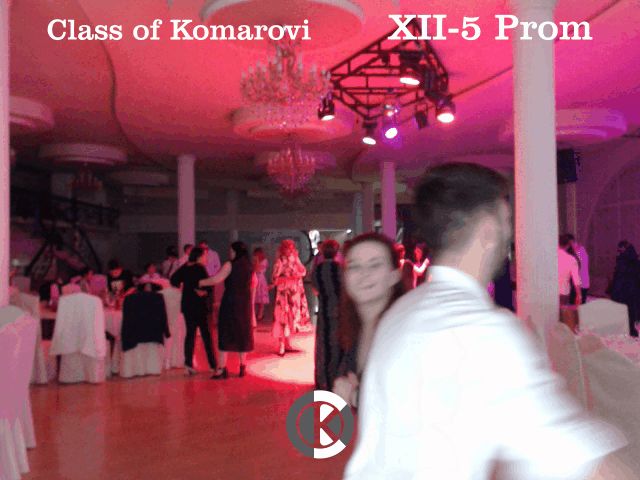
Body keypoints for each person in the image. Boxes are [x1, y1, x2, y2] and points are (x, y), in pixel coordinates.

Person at [344, 163, 626, 480]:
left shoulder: (401, 311)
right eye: (507, 221)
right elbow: (570, 461)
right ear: (489, 231)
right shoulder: (485, 331)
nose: (510, 234)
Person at [332, 233, 403, 407]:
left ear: (394, 275)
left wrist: (356, 397)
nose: (364, 274)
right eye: (354, 266)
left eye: (375, 265)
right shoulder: (354, 329)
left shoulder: (403, 332)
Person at [200, 242, 255, 379]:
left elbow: (217, 279)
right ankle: (242, 367)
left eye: (231, 250)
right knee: (242, 334)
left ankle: (222, 369)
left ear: (235, 251)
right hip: (245, 303)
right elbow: (253, 285)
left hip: (231, 302)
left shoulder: (230, 265)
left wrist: (200, 282)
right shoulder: (249, 266)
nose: (230, 253)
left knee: (225, 333)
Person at [170, 247, 220, 375]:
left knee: (190, 335)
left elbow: (173, 280)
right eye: (205, 256)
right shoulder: (199, 268)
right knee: (206, 336)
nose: (207, 258)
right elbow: (208, 286)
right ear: (199, 256)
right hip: (199, 306)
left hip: (187, 305)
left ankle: (188, 365)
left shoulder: (185, 266)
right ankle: (213, 365)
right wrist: (204, 292)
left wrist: (184, 287)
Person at [312, 239, 343, 391]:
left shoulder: (317, 270)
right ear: (336, 252)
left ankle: (322, 379)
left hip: (324, 310)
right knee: (336, 345)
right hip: (339, 311)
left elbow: (315, 289)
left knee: (323, 345)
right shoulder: (340, 269)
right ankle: (335, 379)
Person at [272, 239, 311, 356]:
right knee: (282, 318)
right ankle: (281, 344)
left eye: (291, 247)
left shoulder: (295, 259)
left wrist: (297, 264)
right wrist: (289, 278)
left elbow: (303, 271)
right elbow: (275, 279)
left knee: (290, 318)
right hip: (284, 293)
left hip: (294, 293)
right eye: (287, 247)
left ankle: (287, 343)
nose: (290, 250)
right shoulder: (280, 261)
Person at [610, 240, 640, 337]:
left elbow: (617, 275)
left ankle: (622, 328)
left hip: (622, 289)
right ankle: (631, 329)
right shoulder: (635, 260)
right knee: (631, 310)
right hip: (632, 290)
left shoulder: (621, 260)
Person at [559, 234, 582, 306]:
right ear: (568, 245)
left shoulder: (549, 256)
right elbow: (576, 279)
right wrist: (579, 295)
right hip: (563, 291)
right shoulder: (571, 259)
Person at [567, 234, 590, 303]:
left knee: (576, 302)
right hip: (580, 282)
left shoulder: (578, 250)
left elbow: (580, 265)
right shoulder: (578, 250)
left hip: (580, 282)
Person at [252, 247, 270, 323]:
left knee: (261, 298)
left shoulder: (265, 261)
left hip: (261, 278)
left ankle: (260, 314)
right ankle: (255, 314)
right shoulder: (254, 261)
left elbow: (258, 269)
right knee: (255, 297)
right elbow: (254, 269)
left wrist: (256, 261)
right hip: (255, 277)